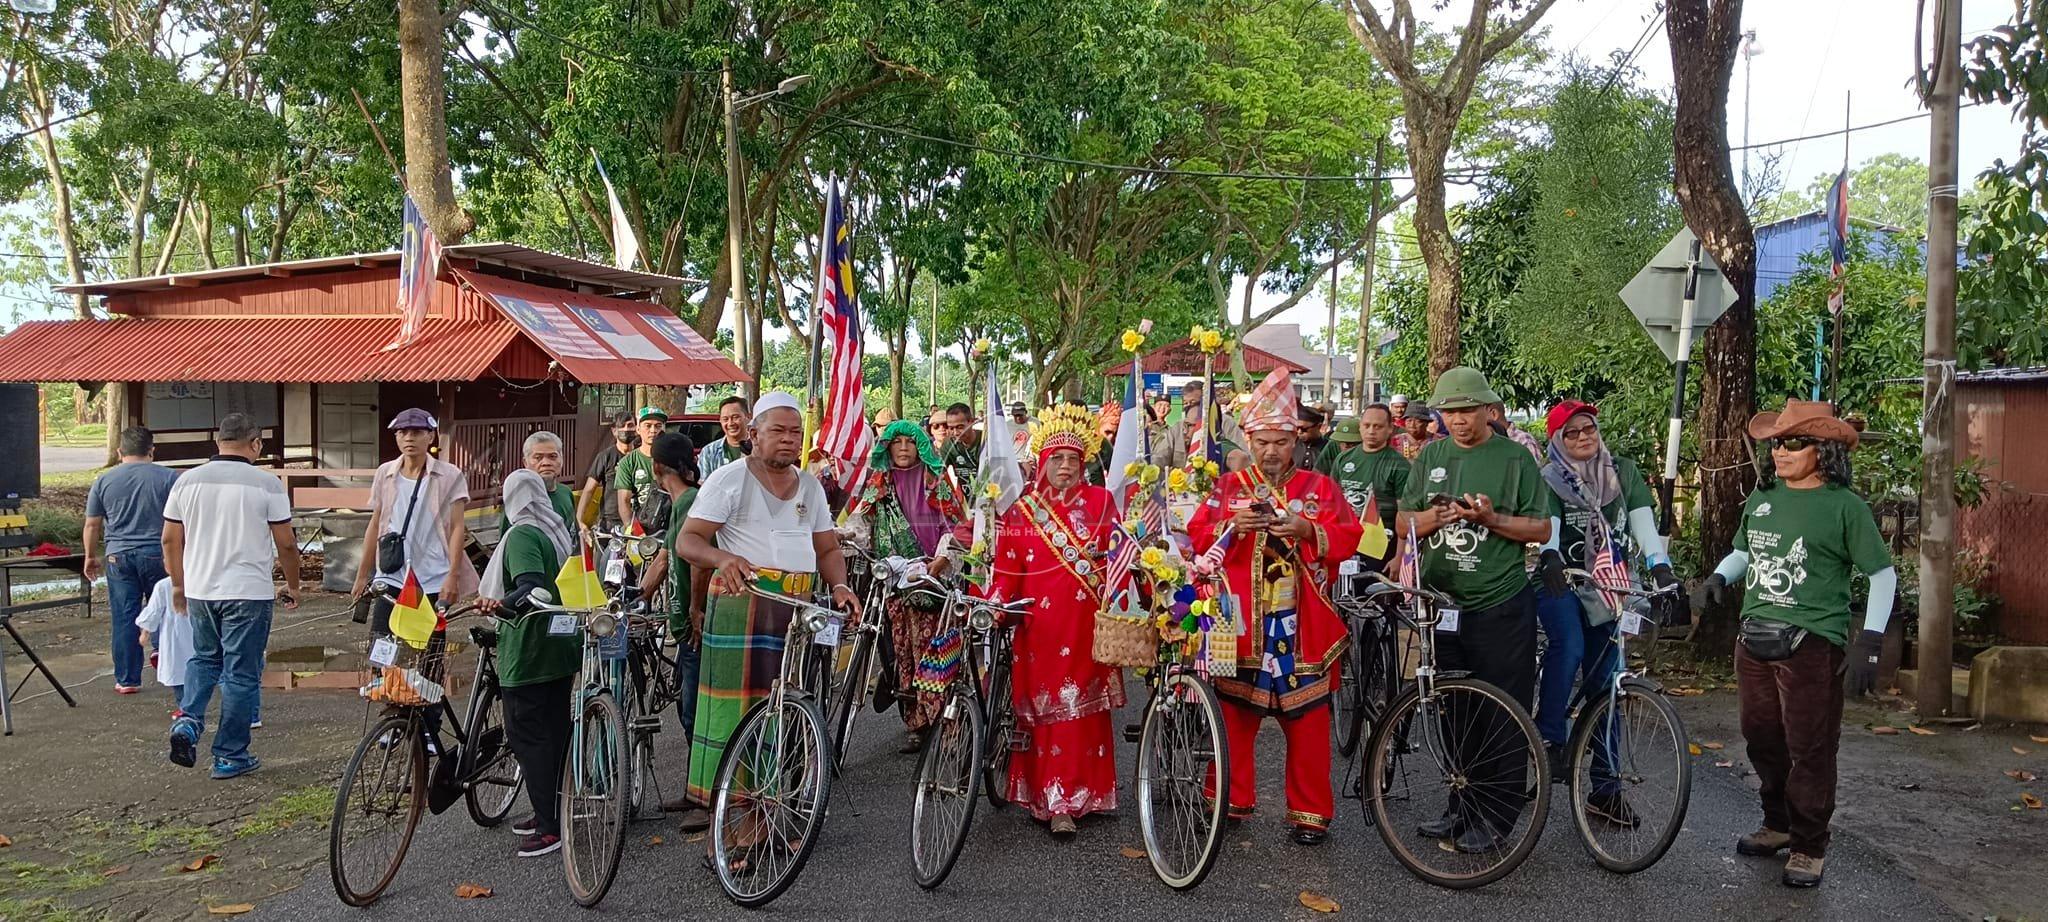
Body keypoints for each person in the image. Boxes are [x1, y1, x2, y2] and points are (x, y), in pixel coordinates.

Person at [1700, 400, 1894, 889]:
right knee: (1761, 734)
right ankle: (1778, 823)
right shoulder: (1764, 498)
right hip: (1755, 639)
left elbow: (1882, 574)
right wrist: (1718, 578)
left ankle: (1809, 844)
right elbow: (1746, 551)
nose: (1780, 451)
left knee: (1810, 746)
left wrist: (1869, 641)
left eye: (1792, 442)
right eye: (1776, 442)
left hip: (1812, 643)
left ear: (1823, 450)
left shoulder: (1844, 506)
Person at [1185, 369, 1364, 846]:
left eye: (1281, 442)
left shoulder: (1320, 488)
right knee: (1234, 719)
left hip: (1301, 623)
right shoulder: (1228, 487)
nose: (1271, 451)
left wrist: (1309, 532)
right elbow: (1198, 536)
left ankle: (1309, 812)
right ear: (1248, 438)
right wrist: (1232, 524)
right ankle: (1227, 801)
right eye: (1263, 441)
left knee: (1306, 723)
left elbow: (1350, 536)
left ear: (1296, 441)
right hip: (1240, 623)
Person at [674, 393, 861, 823]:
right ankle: (727, 825)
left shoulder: (811, 486)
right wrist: (724, 559)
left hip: (797, 611)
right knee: (733, 715)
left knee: (784, 714)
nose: (789, 440)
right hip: (744, 608)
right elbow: (689, 541)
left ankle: (765, 818)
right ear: (754, 434)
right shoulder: (728, 480)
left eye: (795, 432)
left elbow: (827, 547)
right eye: (778, 430)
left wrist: (839, 587)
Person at [1393, 367, 1551, 853]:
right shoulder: (1432, 454)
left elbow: (1540, 529)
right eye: (1449, 412)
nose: (1458, 421)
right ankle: (1460, 806)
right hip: (1442, 606)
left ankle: (1498, 816)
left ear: (1488, 410)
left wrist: (1490, 519)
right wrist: (1431, 517)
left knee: (1502, 711)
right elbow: (1402, 522)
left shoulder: (1514, 458)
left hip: (1500, 603)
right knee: (1454, 710)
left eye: (1466, 411)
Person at [1531, 401, 1681, 803]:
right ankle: (1550, 739)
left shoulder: (1623, 472)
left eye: (1589, 430)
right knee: (1570, 645)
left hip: (1608, 582)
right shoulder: (1549, 477)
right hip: (1560, 580)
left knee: (1608, 682)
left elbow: (1643, 523)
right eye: (1572, 433)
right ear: (1558, 440)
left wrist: (1661, 568)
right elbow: (1551, 529)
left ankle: (1606, 788)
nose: (1583, 438)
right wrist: (1550, 556)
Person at [991, 405, 1121, 838]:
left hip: (1090, 628)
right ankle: (1055, 799)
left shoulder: (1103, 503)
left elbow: (1121, 556)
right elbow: (1005, 573)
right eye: (1056, 458)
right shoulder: (1021, 512)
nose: (1065, 467)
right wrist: (995, 605)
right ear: (1041, 462)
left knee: (1086, 714)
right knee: (1051, 715)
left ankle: (1094, 793)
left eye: (1073, 459)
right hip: (1041, 632)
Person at [163, 413, 301, 780]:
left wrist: (178, 584)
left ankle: (189, 720)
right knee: (241, 673)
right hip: (248, 592)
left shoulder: (186, 481)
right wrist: (293, 584)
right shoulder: (266, 483)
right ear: (255, 444)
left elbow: (169, 539)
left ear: (218, 441)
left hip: (200, 589)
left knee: (204, 659)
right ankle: (229, 754)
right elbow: (285, 542)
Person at [839, 419, 970, 752]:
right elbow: (860, 521)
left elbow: (956, 527)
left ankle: (947, 723)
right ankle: (916, 722)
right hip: (894, 584)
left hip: (932, 580)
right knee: (901, 654)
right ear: (886, 448)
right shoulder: (879, 482)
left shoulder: (936, 480)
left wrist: (940, 562)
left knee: (936, 653)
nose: (902, 449)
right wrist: (841, 536)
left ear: (920, 447)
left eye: (909, 443)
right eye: (895, 443)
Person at [478, 469, 579, 857]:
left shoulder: (521, 534)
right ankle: (553, 812)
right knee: (554, 733)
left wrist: (498, 604)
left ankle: (549, 826)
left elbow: (530, 586)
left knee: (528, 736)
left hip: (529, 647)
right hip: (560, 644)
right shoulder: (554, 530)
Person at [638, 431, 710, 829]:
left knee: (696, 711)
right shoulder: (680, 503)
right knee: (687, 707)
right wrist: (641, 593)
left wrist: (697, 609)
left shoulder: (692, 502)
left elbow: (700, 561)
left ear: (657, 467)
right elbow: (667, 554)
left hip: (695, 621)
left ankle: (710, 797)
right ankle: (695, 789)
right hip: (682, 623)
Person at [353, 409, 475, 632]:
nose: (409, 438)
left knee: (429, 652)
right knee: (382, 650)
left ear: (430, 436)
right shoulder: (385, 473)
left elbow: (458, 527)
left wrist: (452, 576)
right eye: (403, 432)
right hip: (391, 573)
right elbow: (376, 523)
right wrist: (362, 575)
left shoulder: (449, 475)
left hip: (433, 575)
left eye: (417, 432)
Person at [83, 426, 180, 694]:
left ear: (119, 452)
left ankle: (127, 679)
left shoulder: (104, 481)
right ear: (151, 450)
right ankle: (164, 656)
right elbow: (183, 520)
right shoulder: (169, 478)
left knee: (124, 616)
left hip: (118, 556)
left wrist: (91, 556)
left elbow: (92, 524)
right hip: (160, 554)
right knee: (165, 610)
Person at [1322, 409, 1407, 560]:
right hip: (1345, 540)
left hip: (1380, 546)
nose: (1371, 431)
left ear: (1390, 429)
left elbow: (1405, 515)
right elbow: (1331, 503)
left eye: (1378, 426)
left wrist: (1399, 557)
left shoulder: (1400, 465)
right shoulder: (1343, 458)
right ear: (1360, 427)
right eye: (1367, 425)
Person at [1160, 379, 1244, 470]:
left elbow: (1242, 459)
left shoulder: (1226, 424)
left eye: (1193, 402)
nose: (1188, 406)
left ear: (1206, 402)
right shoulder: (1177, 428)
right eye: (1185, 403)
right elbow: (1160, 457)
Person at [504, 431, 576, 534]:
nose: (546, 463)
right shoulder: (519, 501)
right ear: (525, 462)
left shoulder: (566, 493)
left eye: (552, 456)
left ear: (562, 459)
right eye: (538, 457)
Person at [615, 406, 670, 528]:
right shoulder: (628, 463)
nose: (653, 430)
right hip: (641, 528)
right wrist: (635, 533)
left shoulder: (672, 459)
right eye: (648, 425)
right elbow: (624, 502)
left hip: (670, 527)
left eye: (658, 426)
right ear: (638, 429)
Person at [580, 419, 636, 532]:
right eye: (622, 426)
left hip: (637, 519)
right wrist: (580, 520)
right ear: (614, 431)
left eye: (630, 425)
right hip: (610, 521)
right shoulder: (605, 457)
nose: (626, 429)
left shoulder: (640, 456)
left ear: (636, 428)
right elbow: (589, 490)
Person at [697, 396, 752, 481]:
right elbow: (703, 487)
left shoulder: (760, 449)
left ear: (748, 417)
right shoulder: (709, 452)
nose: (730, 423)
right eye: (725, 419)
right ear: (720, 421)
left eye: (735, 417)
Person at [935, 402, 981, 484]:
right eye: (951, 428)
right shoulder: (948, 445)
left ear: (971, 422)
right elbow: (939, 471)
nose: (955, 433)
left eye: (960, 427)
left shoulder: (986, 440)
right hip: (963, 494)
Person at [1295, 404, 1337, 472]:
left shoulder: (1329, 448)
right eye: (1297, 428)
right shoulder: (1291, 446)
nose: (1299, 432)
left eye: (1304, 429)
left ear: (1318, 426)